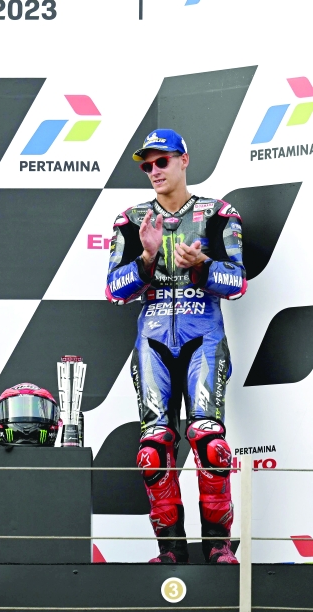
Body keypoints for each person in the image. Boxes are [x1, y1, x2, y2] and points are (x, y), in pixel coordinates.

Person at [106, 130, 246, 564]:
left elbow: (236, 283)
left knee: (210, 442)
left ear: (184, 160)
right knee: (152, 451)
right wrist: (147, 260)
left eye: (161, 161)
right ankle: (169, 552)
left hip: (203, 335)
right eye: (146, 165)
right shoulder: (130, 220)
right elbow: (114, 290)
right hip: (151, 340)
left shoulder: (219, 213)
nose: (153, 171)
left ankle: (218, 547)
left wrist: (202, 265)